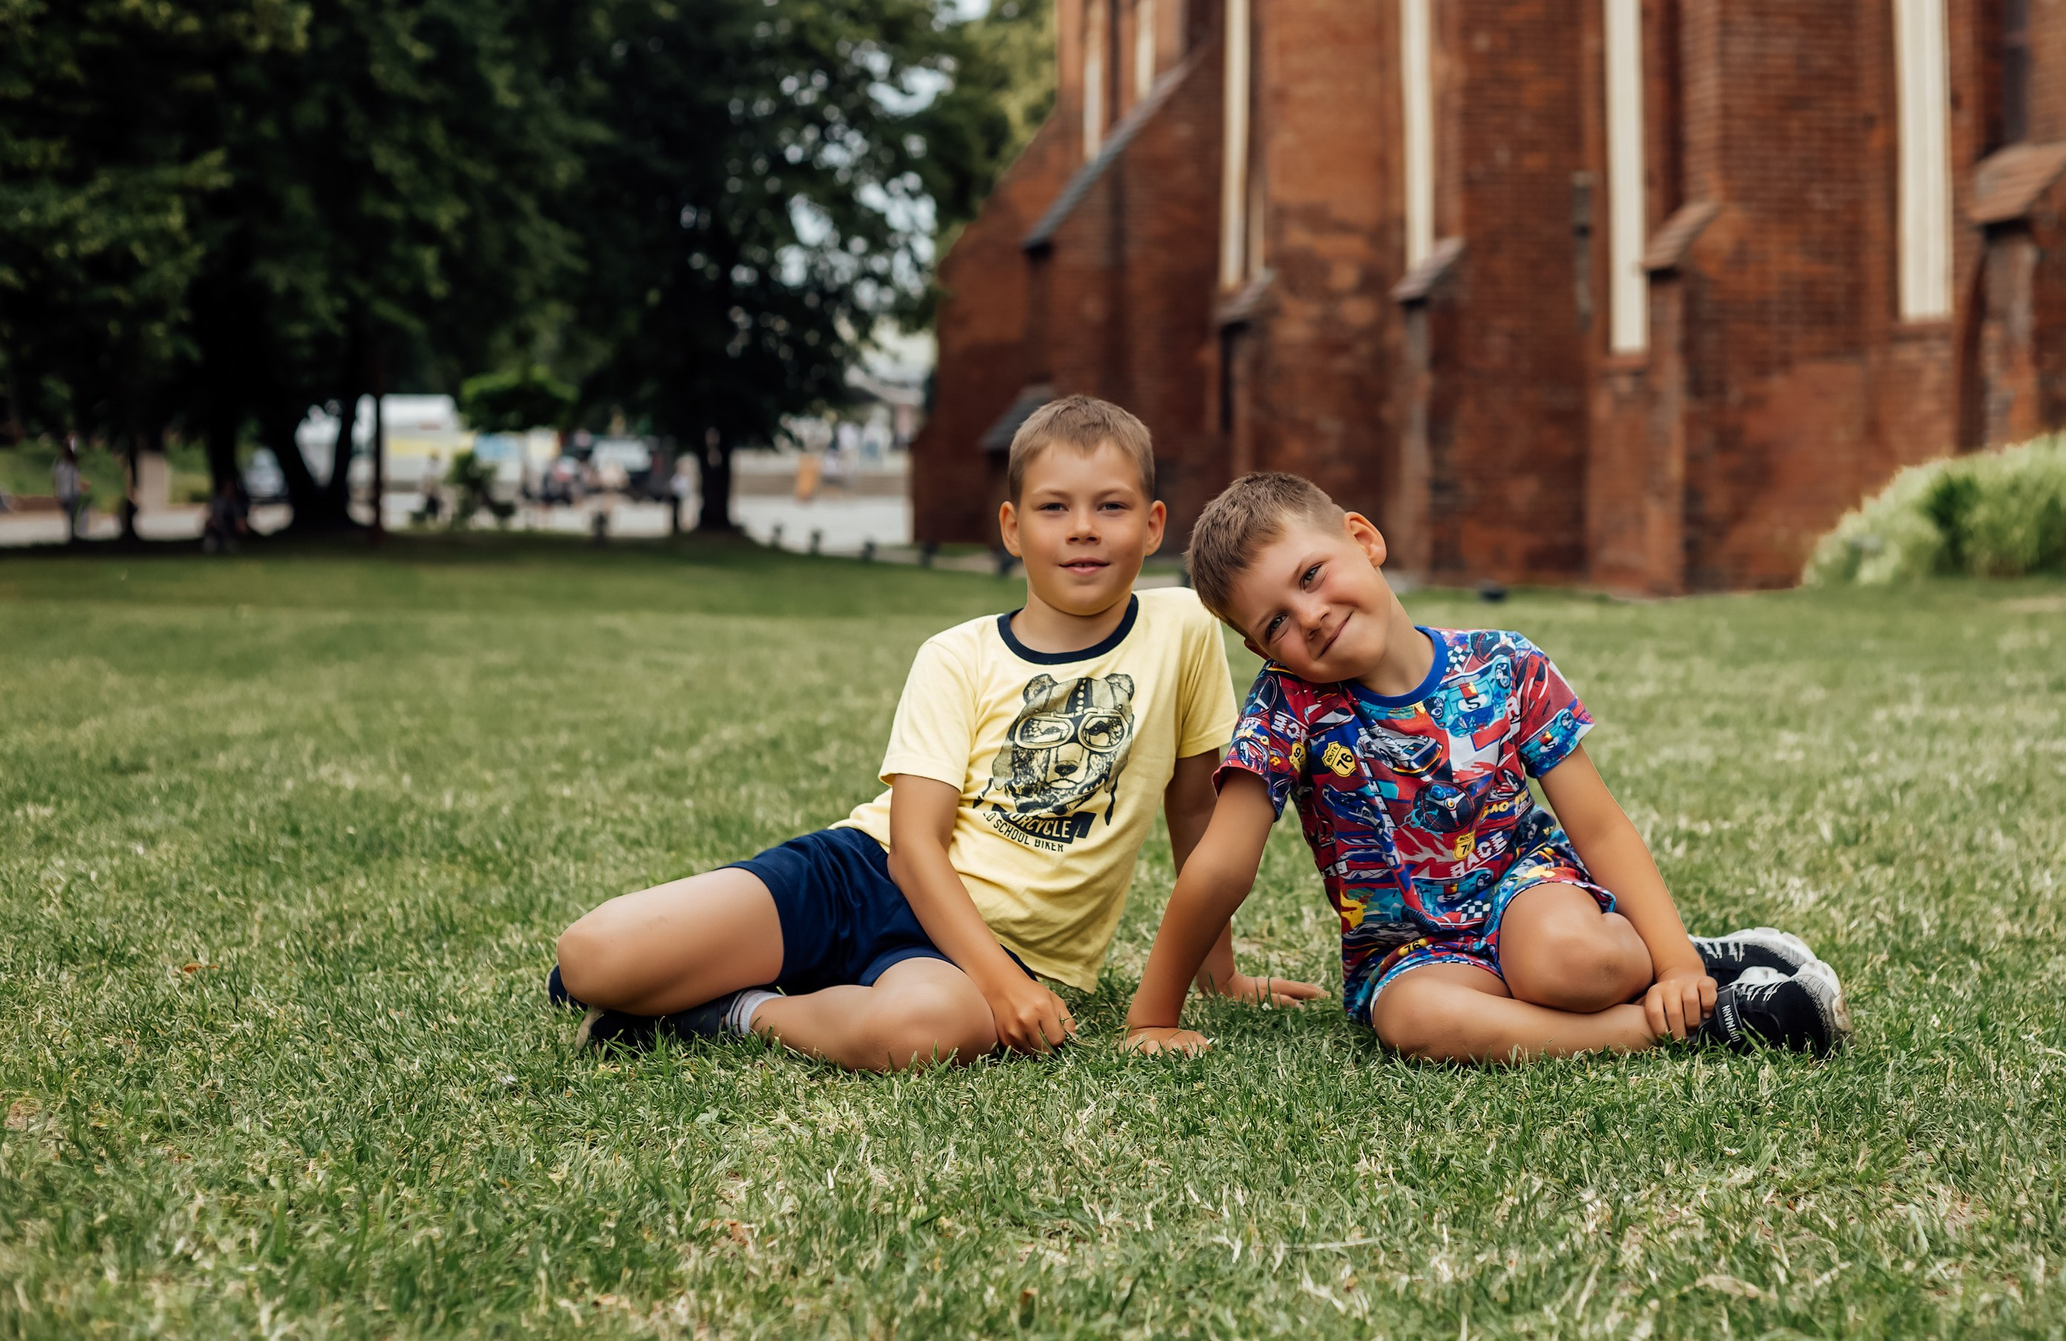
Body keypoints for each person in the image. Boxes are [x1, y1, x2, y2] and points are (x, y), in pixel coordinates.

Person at [550, 397, 1321, 1071]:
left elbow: (1195, 814)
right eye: (1054, 508)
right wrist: (1006, 992)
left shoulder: (1183, 628)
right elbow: (914, 846)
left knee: (924, 1032)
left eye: (1111, 506)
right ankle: (679, 973)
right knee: (591, 956)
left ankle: (724, 1013)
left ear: (1153, 524)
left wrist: (1217, 975)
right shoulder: (956, 654)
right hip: (860, 874)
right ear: (1013, 528)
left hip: (978, 947)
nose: (1083, 529)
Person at [1123, 471, 1851, 1065]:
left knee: (1568, 965)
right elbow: (1221, 864)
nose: (1308, 615)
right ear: (1264, 651)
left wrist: (1674, 965)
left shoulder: (1505, 665)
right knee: (1413, 1022)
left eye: (1311, 575)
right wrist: (1153, 1015)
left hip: (1526, 892)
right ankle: (1687, 1026)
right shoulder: (1288, 707)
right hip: (1409, 951)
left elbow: (1597, 826)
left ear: (1363, 538)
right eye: (1275, 620)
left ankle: (1697, 958)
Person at [51, 443, 89, 543]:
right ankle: (73, 533)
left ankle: (76, 533)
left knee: (74, 513)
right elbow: (57, 480)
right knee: (70, 514)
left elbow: (77, 479)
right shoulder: (61, 465)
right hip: (67, 493)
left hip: (73, 493)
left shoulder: (72, 465)